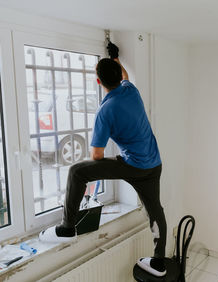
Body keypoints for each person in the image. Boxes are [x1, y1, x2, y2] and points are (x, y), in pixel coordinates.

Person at [39, 42, 167, 277]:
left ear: (98, 82)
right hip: (154, 163)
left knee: (77, 171)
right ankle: (159, 262)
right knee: (155, 210)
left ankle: (68, 228)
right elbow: (125, 75)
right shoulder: (130, 90)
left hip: (133, 165)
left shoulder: (105, 111)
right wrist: (115, 57)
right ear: (119, 76)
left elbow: (96, 156)